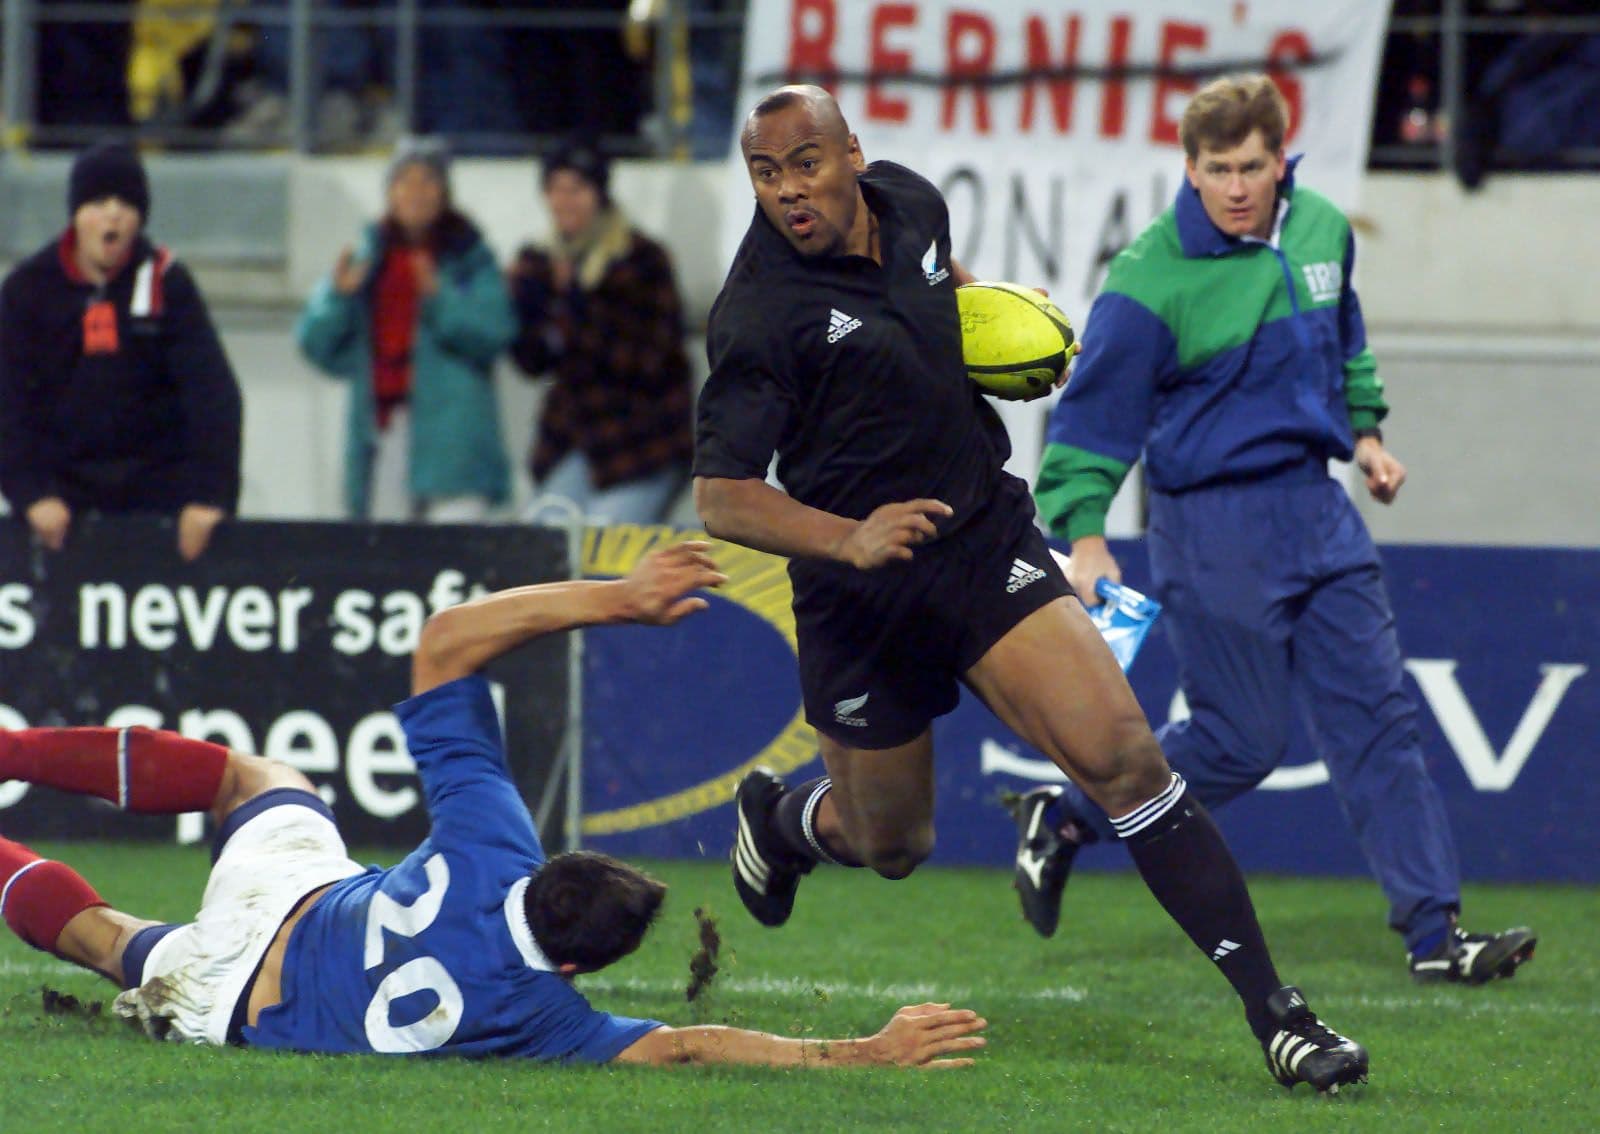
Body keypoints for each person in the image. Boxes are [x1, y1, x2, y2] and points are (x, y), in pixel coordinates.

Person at [693, 83, 1367, 1094]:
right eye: (764, 170)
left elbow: (943, 290)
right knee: (893, 840)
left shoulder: (910, 200)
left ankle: (1281, 1016)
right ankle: (785, 824)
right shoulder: (759, 315)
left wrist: (1014, 333)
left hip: (976, 536)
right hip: (858, 589)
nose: (787, 189)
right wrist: (852, 535)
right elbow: (723, 498)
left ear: (852, 156)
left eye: (805, 162)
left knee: (1127, 761)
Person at [0, 541, 987, 1069]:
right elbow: (691, 1046)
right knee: (102, 937)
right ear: (571, 964)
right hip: (234, 1007)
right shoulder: (540, 1018)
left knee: (259, 780)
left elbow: (441, 641)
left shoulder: (487, 841)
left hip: (297, 903)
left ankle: (9, 749)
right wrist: (867, 1052)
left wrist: (615, 600)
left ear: (546, 867)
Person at [1026, 74, 1536, 985]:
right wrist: (1086, 532)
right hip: (1208, 524)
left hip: (1319, 508)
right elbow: (1092, 417)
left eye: (1251, 166)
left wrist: (1368, 436)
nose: (1233, 186)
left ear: (1280, 157)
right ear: (1189, 167)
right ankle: (1068, 815)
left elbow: (1346, 340)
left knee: (1381, 723)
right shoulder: (1149, 276)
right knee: (1240, 742)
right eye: (1215, 168)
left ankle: (1433, 936)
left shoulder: (1322, 231)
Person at [0, 140, 242, 562]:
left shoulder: (168, 283)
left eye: (126, 204)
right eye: (98, 201)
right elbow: (7, 401)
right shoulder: (28, 290)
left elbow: (213, 397)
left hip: (158, 508)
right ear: (75, 214)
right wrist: (30, 493)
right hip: (61, 511)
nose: (113, 213)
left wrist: (209, 496)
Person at [299, 136, 513, 522]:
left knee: (456, 563)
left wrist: (439, 298)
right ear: (390, 192)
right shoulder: (368, 258)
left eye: (428, 181)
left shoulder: (470, 259)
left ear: (445, 193)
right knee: (389, 562)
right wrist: (339, 297)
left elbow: (496, 331)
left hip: (454, 445)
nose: (416, 192)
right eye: (405, 181)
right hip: (384, 433)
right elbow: (317, 344)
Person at [510, 137, 694, 526]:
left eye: (576, 188)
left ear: (599, 193)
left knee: (602, 550)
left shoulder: (642, 260)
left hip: (643, 446)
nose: (565, 200)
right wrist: (526, 312)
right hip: (577, 442)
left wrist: (575, 305)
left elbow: (645, 362)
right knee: (541, 534)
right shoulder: (541, 262)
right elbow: (531, 362)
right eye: (555, 189)